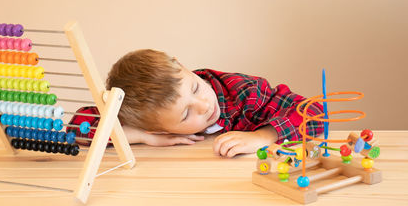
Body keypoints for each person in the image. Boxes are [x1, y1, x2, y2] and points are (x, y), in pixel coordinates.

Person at [68, 49, 323, 158]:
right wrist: (141, 136)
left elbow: (314, 112)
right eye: (186, 114)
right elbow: (78, 129)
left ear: (183, 66)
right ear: (157, 127)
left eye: (195, 87)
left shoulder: (244, 93)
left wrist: (263, 137)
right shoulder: (147, 115)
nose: (203, 105)